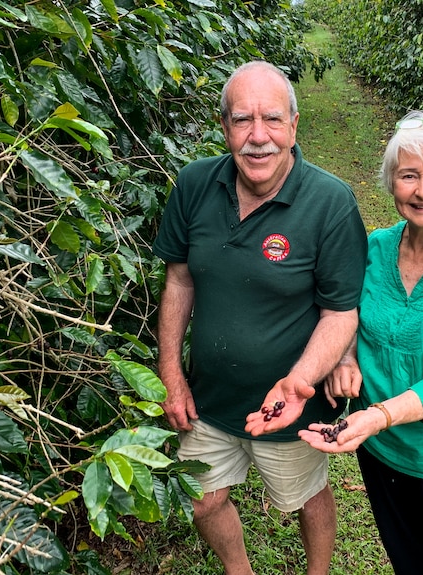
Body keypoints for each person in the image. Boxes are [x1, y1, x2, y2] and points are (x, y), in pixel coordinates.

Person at [253, 110, 423, 574]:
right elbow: (347, 313)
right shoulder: (376, 247)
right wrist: (345, 355)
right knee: (413, 564)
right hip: (385, 454)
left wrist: (375, 417)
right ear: (391, 183)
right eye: (408, 176)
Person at [152, 60, 368, 575]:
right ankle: (239, 569)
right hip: (210, 397)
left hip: (287, 405)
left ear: (294, 126)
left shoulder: (330, 203)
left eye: (272, 119)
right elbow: (179, 281)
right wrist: (171, 373)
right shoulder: (194, 184)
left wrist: (299, 384)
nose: (258, 137)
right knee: (202, 500)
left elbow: (341, 312)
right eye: (242, 120)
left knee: (306, 496)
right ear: (223, 126)